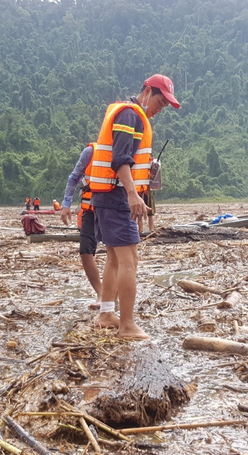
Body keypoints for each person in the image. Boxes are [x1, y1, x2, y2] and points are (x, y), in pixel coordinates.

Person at [89, 74, 180, 340]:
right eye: (160, 102)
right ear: (147, 91)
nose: (160, 110)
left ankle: (107, 313)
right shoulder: (130, 115)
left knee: (115, 258)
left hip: (108, 195)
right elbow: (120, 159)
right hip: (117, 196)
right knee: (130, 260)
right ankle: (127, 325)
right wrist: (132, 194)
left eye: (164, 106)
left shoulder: (131, 115)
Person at [61, 143, 102, 310]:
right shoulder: (90, 152)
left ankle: (114, 294)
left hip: (113, 209)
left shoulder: (123, 148)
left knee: (117, 253)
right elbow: (74, 177)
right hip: (90, 210)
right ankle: (101, 293)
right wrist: (66, 204)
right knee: (85, 249)